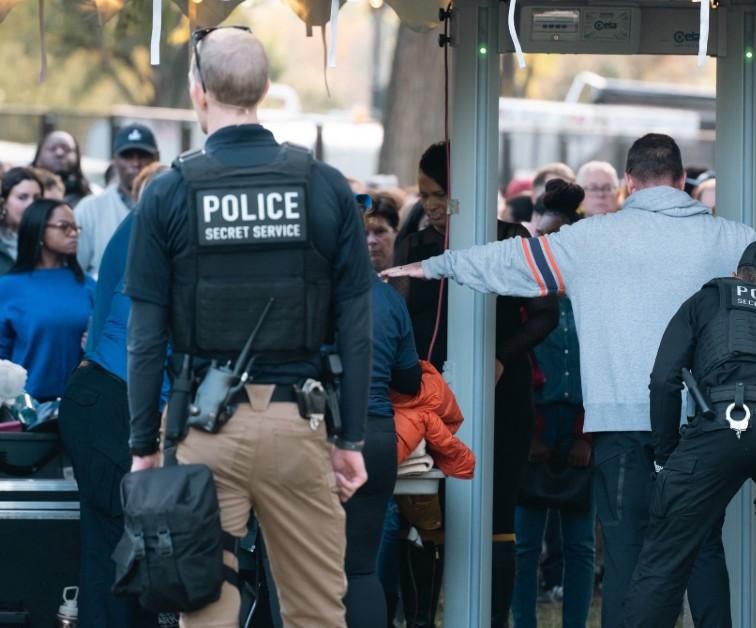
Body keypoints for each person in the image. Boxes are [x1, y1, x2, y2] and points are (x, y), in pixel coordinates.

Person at [381, 133, 756, 628]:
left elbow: (508, 263)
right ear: (683, 181)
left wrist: (432, 266)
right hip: (701, 424)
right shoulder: (728, 239)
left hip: (618, 423)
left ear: (628, 181)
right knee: (700, 550)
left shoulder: (589, 240)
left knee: (628, 555)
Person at [125, 27, 371, 627]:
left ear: (198, 91)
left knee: (204, 608)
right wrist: (351, 439)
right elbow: (356, 323)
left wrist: (143, 449)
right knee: (317, 610)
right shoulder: (324, 186)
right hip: (299, 423)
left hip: (205, 429)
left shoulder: (169, 192)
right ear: (264, 88)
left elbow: (145, 335)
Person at [390, 141, 559, 628]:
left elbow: (546, 310)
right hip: (427, 399)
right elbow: (398, 318)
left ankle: (494, 619)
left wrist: (502, 356)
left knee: (496, 515)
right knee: (423, 514)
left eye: (442, 194)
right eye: (425, 195)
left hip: (500, 396)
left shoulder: (512, 240)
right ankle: (422, 619)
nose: (432, 206)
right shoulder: (415, 244)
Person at [621, 239, 756, 628]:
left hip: (721, 423)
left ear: (738, 275)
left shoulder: (711, 297)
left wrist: (666, 456)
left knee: (665, 555)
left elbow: (664, 380)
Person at [57, 164, 167, 628]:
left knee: (124, 558)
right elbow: (151, 335)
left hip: (104, 396)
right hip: (112, 398)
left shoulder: (144, 225)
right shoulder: (155, 232)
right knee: (118, 556)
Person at [512, 180, 594, 628]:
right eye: (539, 239)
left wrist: (587, 434)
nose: (545, 247)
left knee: (581, 544)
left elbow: (601, 366)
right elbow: (518, 363)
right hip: (535, 423)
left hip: (579, 426)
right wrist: (532, 432)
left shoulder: (590, 299)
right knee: (525, 542)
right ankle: (523, 621)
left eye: (554, 239)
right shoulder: (523, 299)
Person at [346, 192, 422, 628]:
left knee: (298, 572)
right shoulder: (389, 299)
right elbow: (409, 379)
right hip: (377, 437)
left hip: (321, 435)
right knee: (360, 568)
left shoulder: (312, 295)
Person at [0, 199, 94, 402]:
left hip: (82, 405)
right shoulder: (8, 287)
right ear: (39, 230)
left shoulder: (87, 285)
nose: (74, 233)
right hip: (24, 409)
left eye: (76, 227)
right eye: (64, 227)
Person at [74, 123, 159, 276]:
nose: (136, 163)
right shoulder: (90, 208)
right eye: (127, 156)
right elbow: (76, 270)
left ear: (156, 158)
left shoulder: (172, 205)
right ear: (114, 160)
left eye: (143, 155)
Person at [0, 167, 43, 273]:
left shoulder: (48, 241)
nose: (31, 204)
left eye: (37, 198)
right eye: (22, 197)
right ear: (4, 201)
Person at [32, 130, 92, 206]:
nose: (59, 153)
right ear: (38, 156)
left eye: (67, 149)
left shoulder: (88, 200)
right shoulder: (23, 192)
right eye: (52, 148)